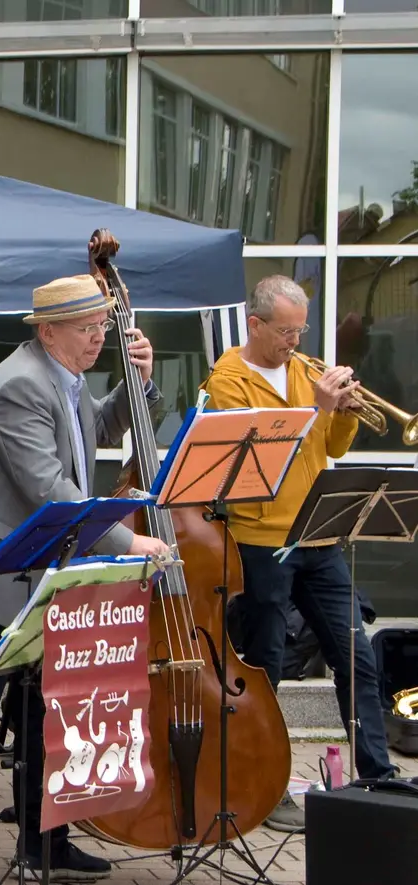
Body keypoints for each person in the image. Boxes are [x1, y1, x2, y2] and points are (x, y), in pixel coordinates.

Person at [0, 274, 170, 884]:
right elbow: (48, 485)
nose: (100, 337)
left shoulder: (58, 375)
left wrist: (139, 383)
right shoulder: (23, 384)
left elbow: (94, 429)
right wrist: (129, 540)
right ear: (48, 331)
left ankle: (43, 842)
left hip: (30, 562)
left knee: (42, 708)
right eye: (86, 328)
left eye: (103, 326)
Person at [201, 274, 395, 832]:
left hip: (319, 533)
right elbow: (266, 463)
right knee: (266, 666)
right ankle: (259, 781)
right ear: (255, 325)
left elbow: (329, 448)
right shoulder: (228, 380)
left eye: (301, 329)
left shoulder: (303, 371)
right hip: (263, 541)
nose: (295, 340)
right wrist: (315, 407)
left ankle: (376, 775)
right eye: (285, 330)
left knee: (355, 655)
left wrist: (343, 410)